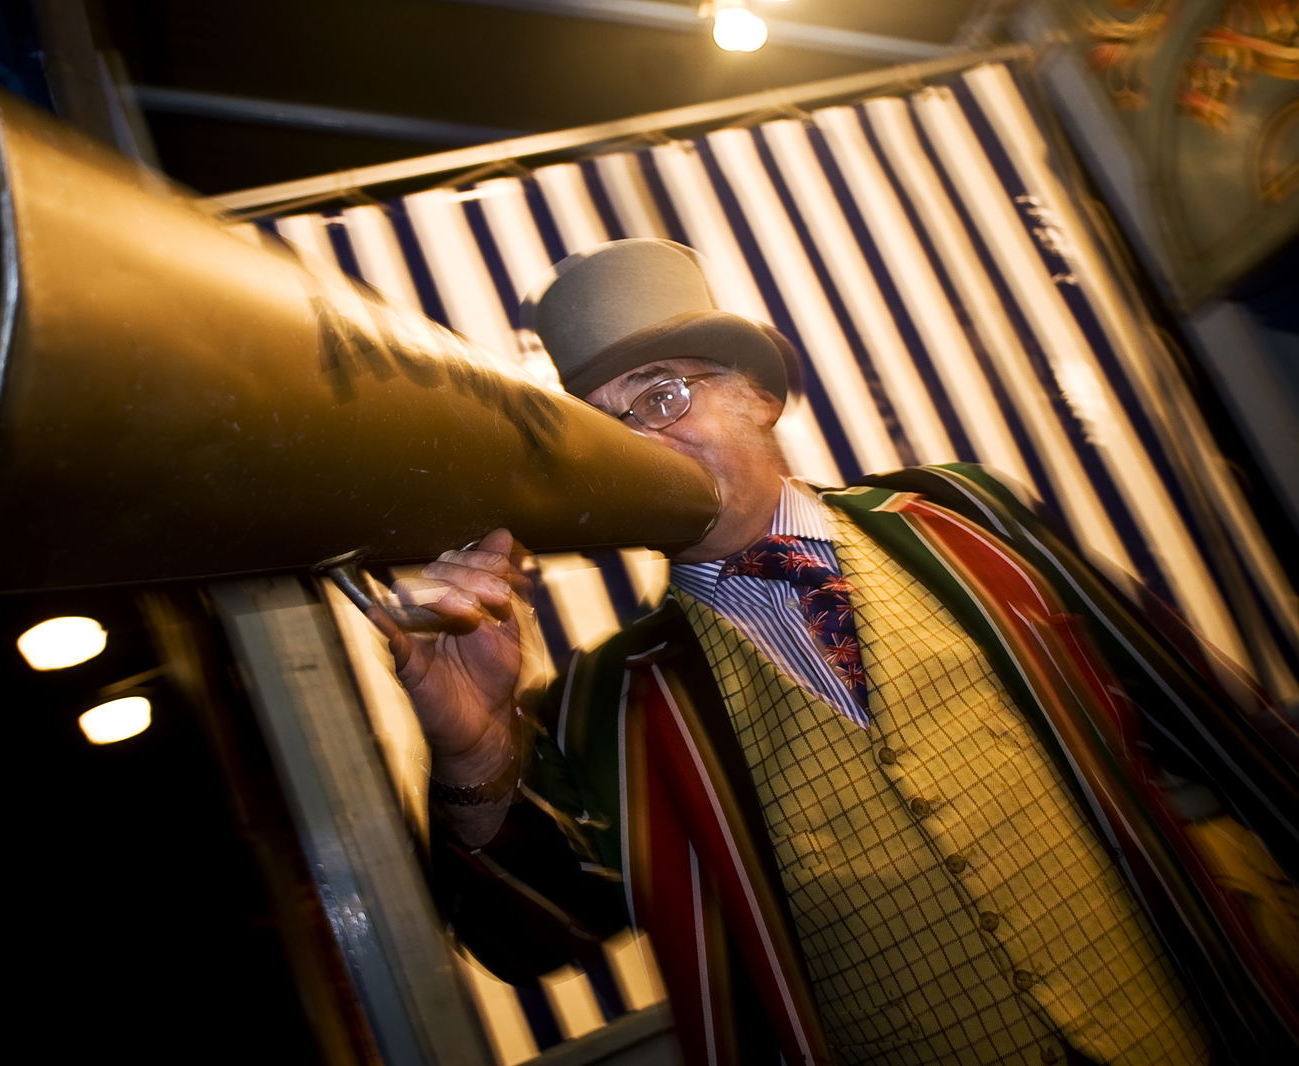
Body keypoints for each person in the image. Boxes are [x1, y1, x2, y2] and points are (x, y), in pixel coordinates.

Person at [372, 239, 1299, 1065]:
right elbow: (536, 942)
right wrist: (476, 750)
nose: (641, 446)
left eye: (662, 395)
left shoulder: (957, 515)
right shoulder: (616, 690)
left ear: (760, 397)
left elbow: (1199, 713)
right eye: (606, 431)